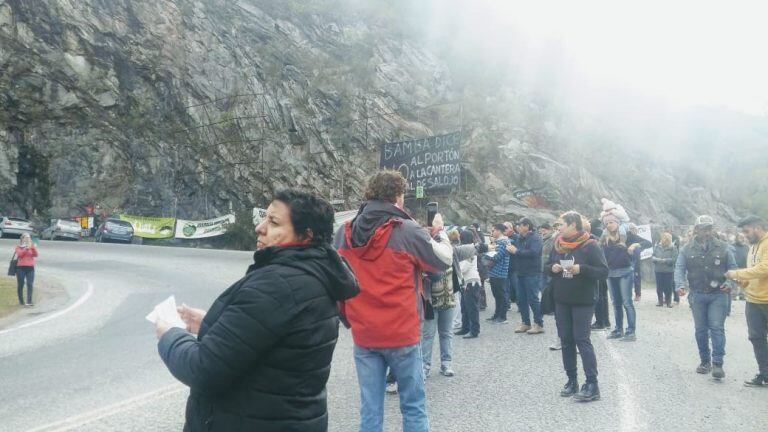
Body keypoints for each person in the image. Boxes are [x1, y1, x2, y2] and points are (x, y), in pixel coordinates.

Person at [155, 189, 359, 432]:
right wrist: (212, 322)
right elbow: (269, 338)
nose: (260, 227)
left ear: (306, 236)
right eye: (265, 218)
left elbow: (203, 369)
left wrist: (170, 333)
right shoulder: (314, 275)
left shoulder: (277, 285)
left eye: (273, 222)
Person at [335, 170, 452, 432]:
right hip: (402, 333)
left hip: (365, 334)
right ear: (398, 197)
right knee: (413, 406)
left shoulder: (343, 233)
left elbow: (337, 281)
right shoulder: (407, 230)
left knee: (370, 408)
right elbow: (442, 262)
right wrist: (440, 234)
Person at [547, 211, 609, 402]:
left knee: (582, 339)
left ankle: (592, 384)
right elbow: (546, 265)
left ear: (573, 224)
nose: (559, 228)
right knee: (566, 339)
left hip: (583, 299)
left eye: (562, 225)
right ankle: (571, 380)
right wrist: (553, 268)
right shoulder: (558, 245)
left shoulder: (590, 245)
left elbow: (604, 271)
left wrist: (581, 269)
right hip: (562, 299)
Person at [674, 215, 736, 379]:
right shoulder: (686, 249)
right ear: (696, 230)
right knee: (701, 330)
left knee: (716, 328)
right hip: (697, 294)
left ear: (712, 230)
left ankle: (717, 364)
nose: (706, 232)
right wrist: (679, 285)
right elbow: (679, 269)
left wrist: (730, 283)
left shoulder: (724, 247)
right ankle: (705, 361)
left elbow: (733, 269)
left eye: (709, 229)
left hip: (719, 295)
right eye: (703, 229)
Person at [726, 215, 768, 387]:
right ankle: (765, 373)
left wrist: (736, 274)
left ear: (757, 228)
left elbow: (764, 269)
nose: (744, 235)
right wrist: (741, 282)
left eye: (747, 231)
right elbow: (752, 272)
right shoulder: (752, 248)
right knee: (756, 338)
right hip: (753, 301)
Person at [600, 214, 651, 342]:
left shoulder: (627, 236)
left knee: (627, 302)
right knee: (615, 303)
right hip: (610, 274)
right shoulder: (604, 238)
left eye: (611, 222)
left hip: (624, 272)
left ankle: (631, 332)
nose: (609, 225)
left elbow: (647, 243)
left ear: (617, 223)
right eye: (607, 223)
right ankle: (618, 329)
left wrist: (635, 245)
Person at [508, 217, 544, 334]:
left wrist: (516, 251)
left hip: (532, 273)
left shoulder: (535, 238)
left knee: (533, 299)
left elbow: (534, 252)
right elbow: (517, 251)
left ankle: (539, 324)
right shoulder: (519, 238)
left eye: (520, 225)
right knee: (521, 299)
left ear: (527, 226)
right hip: (520, 273)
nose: (517, 228)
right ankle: (526, 323)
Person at [456, 230, 486, 339]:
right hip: (467, 282)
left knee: (471, 307)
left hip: (471, 281)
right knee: (465, 307)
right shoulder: (468, 248)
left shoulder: (469, 250)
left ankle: (474, 330)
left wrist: (455, 267)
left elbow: (464, 267)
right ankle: (465, 327)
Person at [486, 223, 511, 324]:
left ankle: (503, 317)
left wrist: (487, 255)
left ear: (499, 231)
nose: (492, 233)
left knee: (501, 295)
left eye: (493, 230)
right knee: (496, 295)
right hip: (494, 272)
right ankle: (497, 314)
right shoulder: (498, 242)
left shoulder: (503, 243)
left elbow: (496, 256)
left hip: (500, 273)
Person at [652, 233, 678, 307]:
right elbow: (653, 256)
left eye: (666, 239)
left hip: (668, 271)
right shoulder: (657, 247)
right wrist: (655, 259)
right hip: (658, 270)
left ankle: (668, 302)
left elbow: (674, 259)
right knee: (659, 287)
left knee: (668, 287)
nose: (663, 240)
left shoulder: (673, 248)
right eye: (663, 238)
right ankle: (660, 301)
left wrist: (665, 260)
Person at [14, 233, 38, 307]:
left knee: (30, 284)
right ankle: (21, 301)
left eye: (29, 237)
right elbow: (20, 254)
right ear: (22, 238)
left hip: (30, 268)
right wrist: (26, 248)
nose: (27, 239)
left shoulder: (31, 246)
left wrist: (33, 247)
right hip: (20, 268)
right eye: (26, 237)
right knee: (21, 284)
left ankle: (29, 301)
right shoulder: (18, 247)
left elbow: (36, 255)